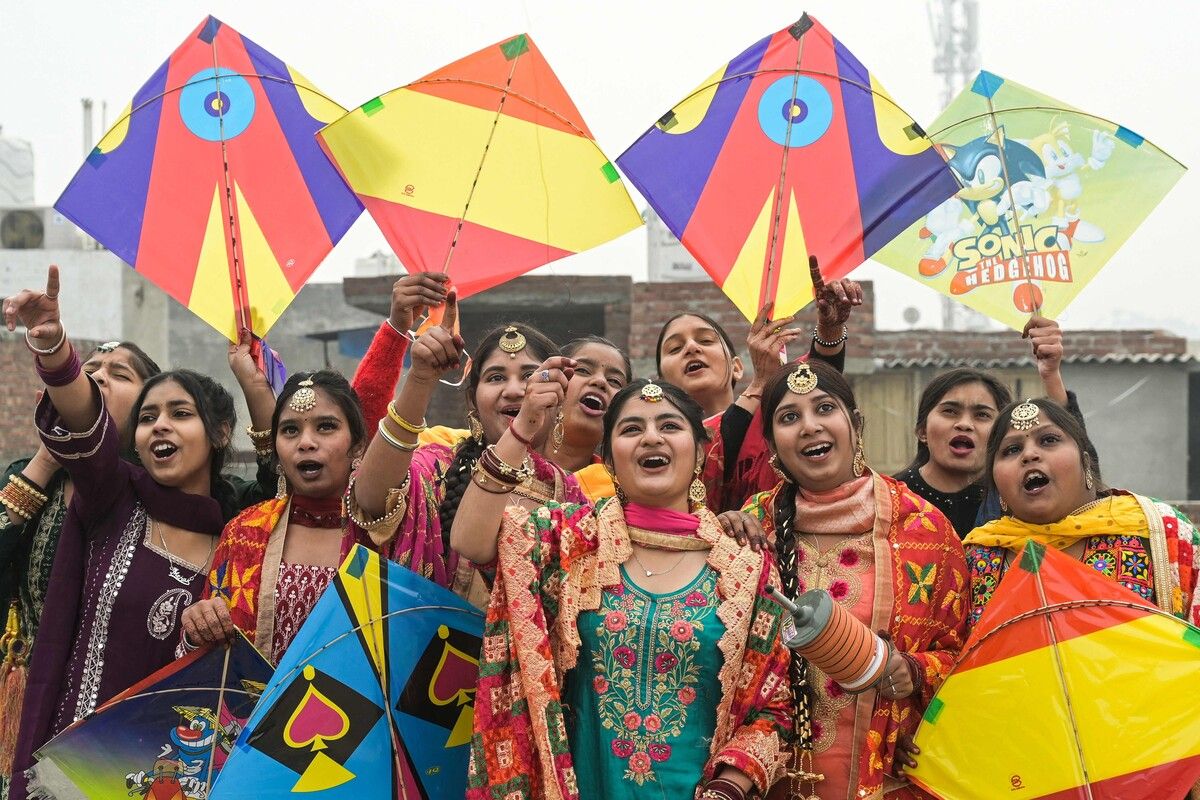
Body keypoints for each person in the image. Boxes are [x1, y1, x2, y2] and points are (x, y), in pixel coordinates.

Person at [453, 378, 793, 800]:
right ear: (610, 460)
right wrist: (522, 429)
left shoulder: (746, 568)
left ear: (700, 450)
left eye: (669, 426)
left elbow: (774, 709)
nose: (651, 437)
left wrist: (731, 784)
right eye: (631, 429)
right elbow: (469, 540)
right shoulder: (570, 542)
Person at [3, 268, 242, 798]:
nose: (160, 426)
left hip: (169, 780)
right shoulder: (115, 496)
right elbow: (85, 421)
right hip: (68, 774)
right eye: (147, 416)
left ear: (219, 433)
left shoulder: (241, 541)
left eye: (180, 414)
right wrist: (55, 349)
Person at [742, 359, 968, 799]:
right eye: (790, 417)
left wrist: (915, 672)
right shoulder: (751, 529)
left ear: (855, 424)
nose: (810, 426)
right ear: (772, 443)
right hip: (767, 780)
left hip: (885, 779)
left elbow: (965, 657)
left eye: (824, 409)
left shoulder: (925, 530)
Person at [348, 296, 584, 606]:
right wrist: (421, 378)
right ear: (473, 400)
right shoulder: (440, 465)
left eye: (529, 375)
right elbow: (371, 498)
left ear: (558, 395)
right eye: (496, 377)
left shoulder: (568, 492)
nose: (514, 390)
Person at [179, 371, 368, 664]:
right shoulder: (244, 532)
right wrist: (197, 629)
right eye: (290, 430)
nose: (305, 442)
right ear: (277, 452)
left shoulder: (380, 533)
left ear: (357, 445)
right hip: (252, 709)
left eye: (326, 427)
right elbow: (204, 664)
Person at [964, 397, 1200, 626]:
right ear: (996, 485)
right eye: (1012, 449)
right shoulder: (975, 559)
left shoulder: (1160, 529)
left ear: (1085, 463)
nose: (1029, 455)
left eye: (1048, 440)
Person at [658, 258, 860, 512]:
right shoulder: (656, 441)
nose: (691, 348)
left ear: (738, 367)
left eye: (706, 341)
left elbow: (814, 382)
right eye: (675, 348)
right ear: (660, 384)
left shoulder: (777, 410)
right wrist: (761, 383)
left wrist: (830, 330)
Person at [895, 315, 1085, 537]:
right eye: (950, 411)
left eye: (982, 415)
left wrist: (1051, 375)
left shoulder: (1016, 497)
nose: (965, 424)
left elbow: (1080, 478)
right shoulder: (888, 499)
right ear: (922, 431)